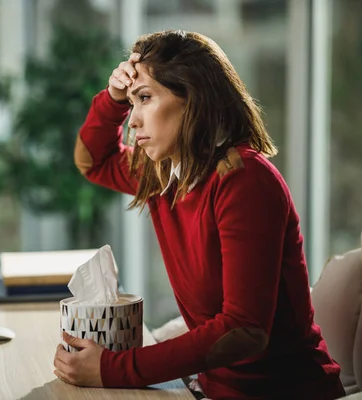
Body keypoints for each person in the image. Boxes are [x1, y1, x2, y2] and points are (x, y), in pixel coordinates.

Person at [54, 30, 345, 399]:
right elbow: (92, 161)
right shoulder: (164, 175)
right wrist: (113, 99)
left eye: (145, 98)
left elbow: (244, 330)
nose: (133, 121)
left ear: (192, 98)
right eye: (132, 104)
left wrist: (112, 368)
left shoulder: (245, 181)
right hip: (211, 389)